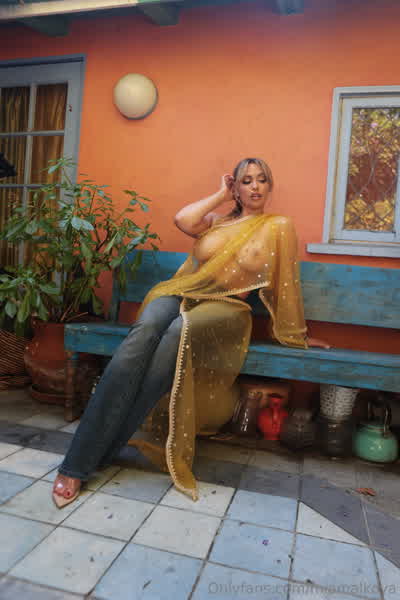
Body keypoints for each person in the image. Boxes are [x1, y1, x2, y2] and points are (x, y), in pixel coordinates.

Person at [52, 157, 329, 508]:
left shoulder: (278, 227)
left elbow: (286, 287)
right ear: (237, 188)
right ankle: (84, 457)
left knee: (176, 332)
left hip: (227, 306)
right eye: (246, 181)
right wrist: (221, 194)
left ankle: (86, 459)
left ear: (270, 186)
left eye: (261, 179)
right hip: (181, 293)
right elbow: (182, 219)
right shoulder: (217, 222)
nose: (255, 186)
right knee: (143, 334)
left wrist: (294, 333)